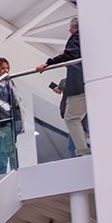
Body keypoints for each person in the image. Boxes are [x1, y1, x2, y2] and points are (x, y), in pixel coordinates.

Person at [38, 16, 88, 157]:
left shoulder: (77, 36)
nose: (69, 30)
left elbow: (71, 54)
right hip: (84, 83)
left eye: (70, 28)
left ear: (74, 28)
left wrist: (48, 63)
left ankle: (83, 153)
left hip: (79, 85)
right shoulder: (89, 38)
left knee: (71, 119)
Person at [0, 57, 23, 174]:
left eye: (7, 68)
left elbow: (16, 102)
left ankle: (15, 174)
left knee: (11, 152)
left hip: (9, 122)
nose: (6, 70)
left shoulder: (10, 83)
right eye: (3, 68)